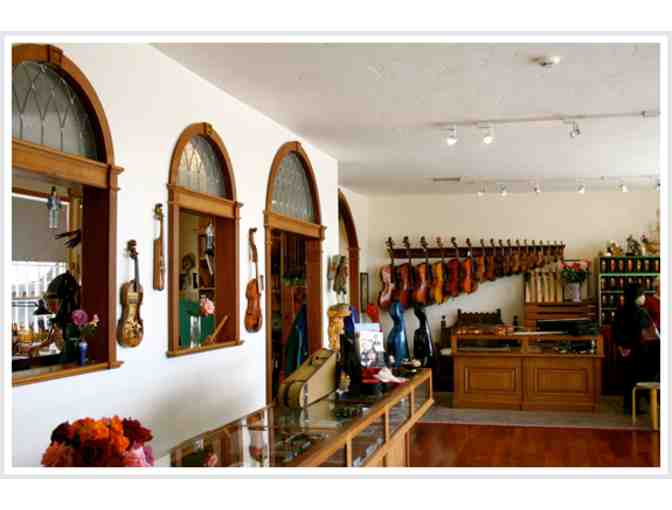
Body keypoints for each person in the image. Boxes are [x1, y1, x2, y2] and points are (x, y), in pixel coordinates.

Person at [613, 283, 658, 413]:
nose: (644, 297)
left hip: (624, 350)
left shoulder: (620, 310)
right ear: (636, 296)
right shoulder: (641, 311)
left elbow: (615, 330)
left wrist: (621, 346)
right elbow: (649, 333)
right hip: (641, 351)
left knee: (628, 379)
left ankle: (629, 406)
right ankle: (649, 402)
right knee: (642, 378)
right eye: (642, 294)